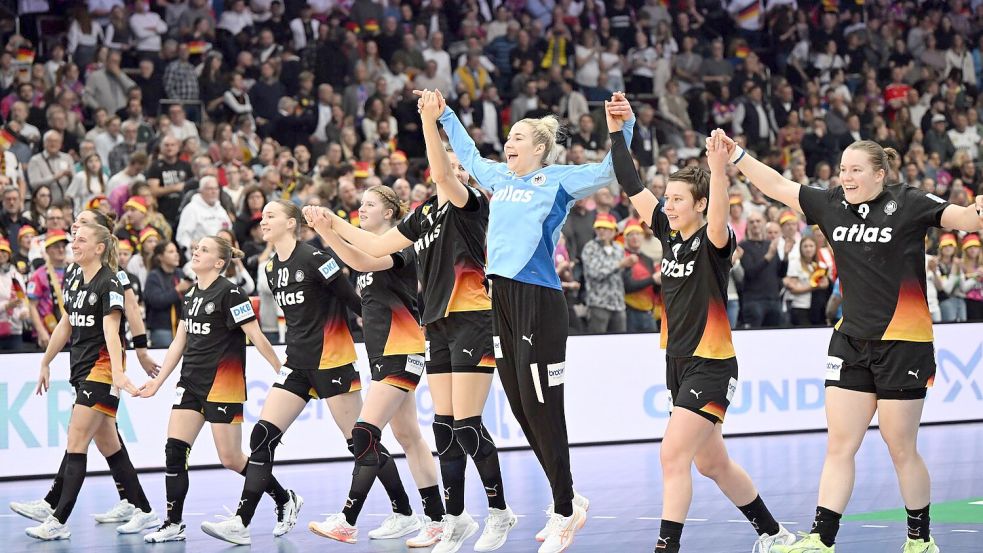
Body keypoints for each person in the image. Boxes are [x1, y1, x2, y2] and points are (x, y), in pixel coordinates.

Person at [713, 127, 983, 553]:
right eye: (843, 170)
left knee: (900, 448)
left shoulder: (909, 202)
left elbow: (965, 220)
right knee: (840, 444)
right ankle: (822, 538)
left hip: (904, 343)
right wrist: (737, 155)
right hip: (850, 341)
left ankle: (920, 538)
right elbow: (778, 185)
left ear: (880, 174)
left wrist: (978, 211)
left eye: (856, 170)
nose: (848, 177)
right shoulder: (831, 203)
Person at [426, 87, 631, 553]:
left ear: (539, 147)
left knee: (543, 407)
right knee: (520, 407)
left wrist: (622, 129)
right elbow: (468, 155)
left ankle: (564, 509)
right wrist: (445, 115)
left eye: (519, 137)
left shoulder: (557, 179)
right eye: (510, 137)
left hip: (538, 300)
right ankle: (569, 499)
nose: (510, 143)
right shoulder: (497, 178)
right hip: (500, 299)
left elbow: (609, 170)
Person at [319, 92, 519, 552]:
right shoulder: (424, 213)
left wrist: (432, 122)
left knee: (468, 426)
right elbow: (372, 248)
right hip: (437, 323)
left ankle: (500, 512)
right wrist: (330, 224)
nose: (447, 171)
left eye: (453, 165)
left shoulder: (469, 203)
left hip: (472, 315)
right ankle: (451, 520)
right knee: (444, 430)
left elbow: (444, 172)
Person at [605, 93, 794, 553]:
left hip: (712, 363)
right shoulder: (668, 235)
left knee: (673, 455)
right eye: (666, 198)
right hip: (678, 361)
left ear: (699, 203)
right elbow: (630, 181)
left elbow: (719, 214)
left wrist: (718, 167)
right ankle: (776, 534)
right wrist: (615, 130)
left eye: (676, 199)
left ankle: (667, 548)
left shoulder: (715, 242)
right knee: (713, 463)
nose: (667, 205)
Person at [198, 200, 404, 546]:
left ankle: (404, 510)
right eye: (262, 216)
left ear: (292, 224)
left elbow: (352, 300)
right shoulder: (269, 268)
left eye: (271, 215)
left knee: (360, 442)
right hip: (296, 363)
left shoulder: (314, 258)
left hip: (332, 359)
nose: (263, 220)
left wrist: (382, 334)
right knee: (262, 436)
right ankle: (242, 521)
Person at [304, 186, 449, 547]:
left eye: (370, 204)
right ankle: (434, 519)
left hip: (403, 348)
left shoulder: (400, 245)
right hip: (384, 351)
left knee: (365, 432)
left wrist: (327, 230)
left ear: (389, 213)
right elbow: (358, 259)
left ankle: (348, 519)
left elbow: (363, 261)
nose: (361, 209)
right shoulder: (366, 247)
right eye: (360, 204)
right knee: (409, 437)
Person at [138, 235, 299, 542]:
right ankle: (173, 523)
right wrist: (158, 382)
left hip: (223, 385)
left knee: (231, 459)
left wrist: (281, 368)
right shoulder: (191, 294)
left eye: (204, 250)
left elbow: (256, 335)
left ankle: (284, 498)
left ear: (219, 262)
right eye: (196, 247)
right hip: (191, 383)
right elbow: (179, 342)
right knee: (174, 451)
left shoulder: (231, 294)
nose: (196, 252)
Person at [25, 223, 159, 540]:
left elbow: (112, 332)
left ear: (99, 248)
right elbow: (65, 326)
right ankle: (145, 511)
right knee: (110, 445)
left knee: (76, 442)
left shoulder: (109, 282)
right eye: (74, 239)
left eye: (81, 240)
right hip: (83, 370)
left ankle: (58, 520)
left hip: (101, 369)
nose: (74, 244)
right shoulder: (76, 280)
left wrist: (117, 372)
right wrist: (45, 361)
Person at [144, 241, 190, 348]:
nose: (176, 254)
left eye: (176, 251)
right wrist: (177, 289)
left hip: (181, 326)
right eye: (171, 252)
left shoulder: (180, 273)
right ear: (160, 257)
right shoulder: (154, 276)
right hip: (162, 328)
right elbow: (156, 301)